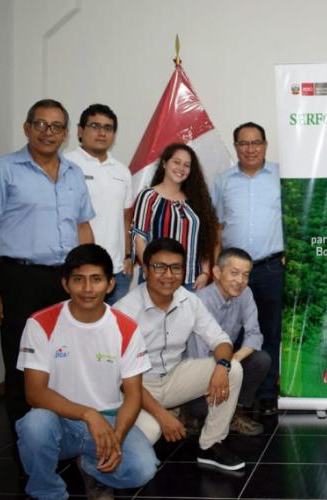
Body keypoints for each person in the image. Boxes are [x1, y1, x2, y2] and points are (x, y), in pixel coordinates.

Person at [0, 99, 95, 431]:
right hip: (20, 278)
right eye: (40, 124)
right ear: (27, 127)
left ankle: (62, 431)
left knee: (65, 358)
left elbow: (82, 227)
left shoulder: (73, 173)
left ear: (66, 134)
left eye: (56, 126)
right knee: (22, 360)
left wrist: (89, 276)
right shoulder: (4, 169)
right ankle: (25, 437)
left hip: (66, 280)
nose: (48, 132)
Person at [15, 244, 156, 499]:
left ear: (110, 284)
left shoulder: (126, 328)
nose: (88, 289)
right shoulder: (40, 323)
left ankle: (90, 465)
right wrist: (88, 414)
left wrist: (117, 437)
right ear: (66, 284)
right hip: (59, 420)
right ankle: (47, 492)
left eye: (96, 279)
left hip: (109, 418)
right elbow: (34, 393)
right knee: (34, 426)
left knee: (143, 469)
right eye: (79, 280)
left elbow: (133, 394)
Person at [114, 238, 245, 471]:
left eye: (176, 268)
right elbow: (122, 380)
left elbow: (221, 341)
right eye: (159, 267)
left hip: (173, 378)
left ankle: (210, 445)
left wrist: (222, 366)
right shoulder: (125, 311)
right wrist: (162, 415)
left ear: (184, 271)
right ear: (145, 269)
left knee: (233, 368)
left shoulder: (189, 300)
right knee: (150, 434)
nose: (168, 275)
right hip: (137, 387)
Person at [211, 122, 284, 415]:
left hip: (270, 267)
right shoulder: (222, 181)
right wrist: (216, 266)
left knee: (270, 331)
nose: (250, 149)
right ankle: (235, 395)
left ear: (265, 145)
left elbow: (294, 216)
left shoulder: (281, 176)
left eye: (256, 143)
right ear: (236, 147)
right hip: (231, 271)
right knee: (232, 332)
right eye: (243, 143)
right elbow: (216, 228)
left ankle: (266, 395)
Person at [185, 247, 272, 436]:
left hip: (224, 362)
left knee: (261, 360)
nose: (240, 281)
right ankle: (193, 413)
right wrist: (221, 370)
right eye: (234, 273)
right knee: (200, 409)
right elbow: (197, 358)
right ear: (217, 272)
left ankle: (235, 411)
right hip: (197, 371)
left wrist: (230, 363)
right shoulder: (199, 302)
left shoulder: (245, 293)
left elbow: (254, 335)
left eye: (245, 275)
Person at [65, 104, 134, 304]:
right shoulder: (66, 165)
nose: (102, 133)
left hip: (117, 272)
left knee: (113, 324)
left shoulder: (122, 171)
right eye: (95, 126)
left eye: (108, 128)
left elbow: (126, 218)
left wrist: (128, 256)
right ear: (80, 131)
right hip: (80, 271)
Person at [132, 143, 219, 291]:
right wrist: (149, 270)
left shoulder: (197, 200)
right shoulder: (149, 196)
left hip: (192, 282)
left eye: (186, 165)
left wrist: (205, 272)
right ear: (164, 163)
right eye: (176, 162)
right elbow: (139, 237)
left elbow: (204, 239)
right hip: (157, 280)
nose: (181, 168)